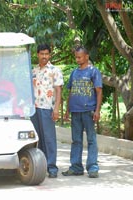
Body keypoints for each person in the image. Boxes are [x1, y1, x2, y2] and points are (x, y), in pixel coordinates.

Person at [62, 46, 102, 178]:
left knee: (91, 139)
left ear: (86, 56)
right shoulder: (74, 73)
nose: (77, 59)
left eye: (80, 57)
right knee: (76, 140)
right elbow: (70, 92)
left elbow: (99, 91)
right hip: (75, 111)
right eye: (76, 57)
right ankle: (76, 167)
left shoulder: (93, 72)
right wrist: (67, 110)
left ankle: (92, 167)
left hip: (88, 111)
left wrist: (97, 110)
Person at [30, 44, 63, 178]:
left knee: (49, 139)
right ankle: (41, 166)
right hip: (35, 108)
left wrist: (56, 109)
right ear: (37, 54)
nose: (44, 56)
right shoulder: (34, 71)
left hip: (47, 108)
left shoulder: (54, 70)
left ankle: (52, 168)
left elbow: (59, 90)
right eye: (42, 54)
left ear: (49, 55)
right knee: (38, 139)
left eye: (46, 54)